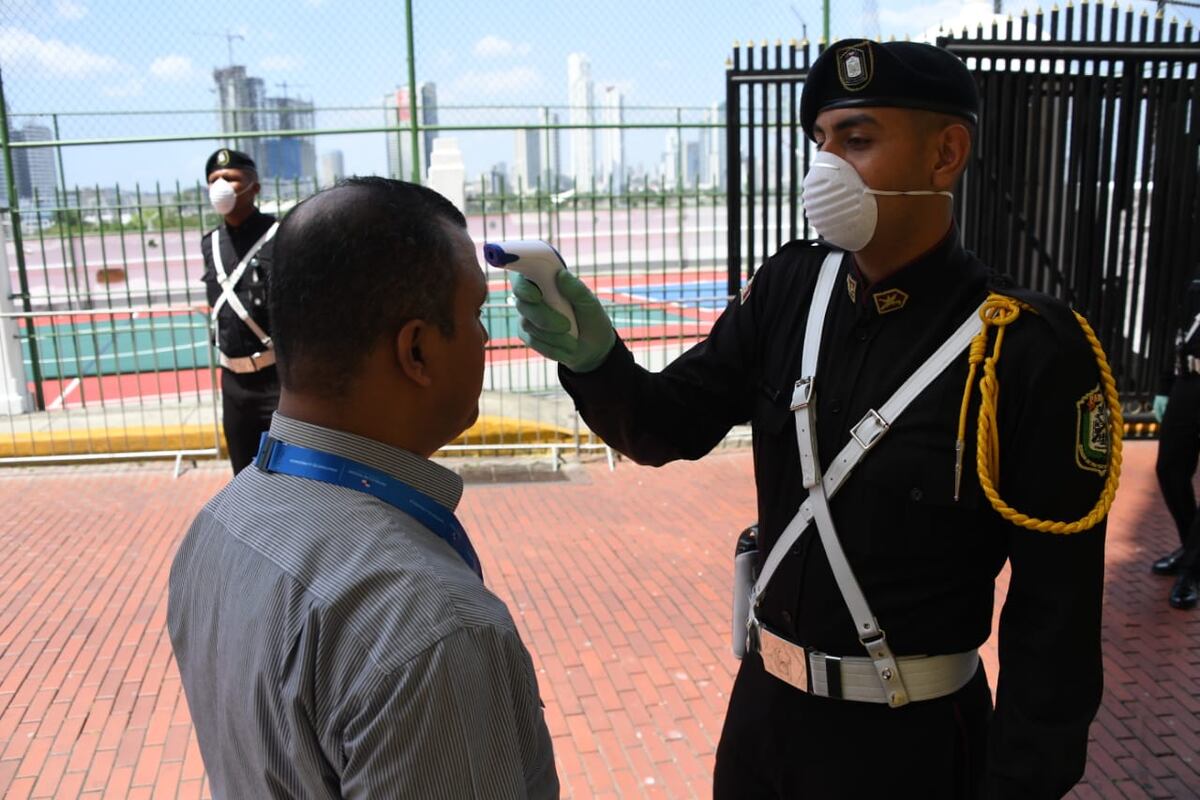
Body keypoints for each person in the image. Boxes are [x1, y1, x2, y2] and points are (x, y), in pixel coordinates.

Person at [512, 40, 1119, 798]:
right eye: (820, 143)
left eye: (857, 141)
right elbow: (668, 425)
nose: (824, 168)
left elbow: (1055, 627)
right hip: (763, 723)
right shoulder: (791, 289)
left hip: (912, 748)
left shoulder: (1026, 351)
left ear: (945, 154)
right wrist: (595, 360)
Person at [169, 177, 559, 799]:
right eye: (476, 315)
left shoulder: (217, 526)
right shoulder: (431, 626)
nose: (486, 340)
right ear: (417, 351)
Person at [200, 147, 280, 474]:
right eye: (214, 179)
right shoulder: (210, 243)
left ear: (254, 187)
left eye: (231, 178)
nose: (221, 185)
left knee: (285, 479)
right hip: (232, 384)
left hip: (277, 382)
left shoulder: (280, 235)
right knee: (242, 479)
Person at [1150, 276, 1200, 609]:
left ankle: (1191, 571)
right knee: (1169, 470)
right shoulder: (1195, 287)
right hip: (1189, 383)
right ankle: (1191, 547)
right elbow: (1179, 336)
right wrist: (1166, 386)